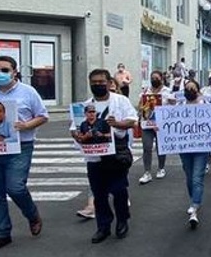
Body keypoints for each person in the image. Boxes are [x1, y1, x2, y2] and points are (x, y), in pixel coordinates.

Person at [0, 55, 49, 253]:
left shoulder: (28, 92)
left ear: (15, 71)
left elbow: (43, 116)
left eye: (4, 70)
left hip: (20, 147)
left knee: (15, 187)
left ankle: (32, 214)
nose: (0, 74)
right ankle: (2, 234)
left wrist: (25, 125)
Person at [71, 69, 138, 244]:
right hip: (94, 156)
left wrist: (117, 123)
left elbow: (132, 120)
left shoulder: (120, 101)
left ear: (109, 83)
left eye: (101, 82)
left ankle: (122, 219)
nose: (98, 85)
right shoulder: (85, 106)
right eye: (94, 82)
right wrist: (76, 135)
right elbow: (74, 128)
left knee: (118, 190)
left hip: (116, 154)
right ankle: (103, 226)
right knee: (99, 193)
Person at [175, 79, 211, 229]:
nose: (190, 91)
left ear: (198, 90)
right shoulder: (179, 107)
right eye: (187, 89)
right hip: (184, 148)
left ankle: (195, 206)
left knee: (197, 177)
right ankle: (194, 199)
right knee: (189, 176)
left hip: (201, 147)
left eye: (193, 88)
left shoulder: (206, 106)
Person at [135, 70, 171, 186]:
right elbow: (140, 106)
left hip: (161, 124)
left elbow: (172, 108)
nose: (154, 80)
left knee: (161, 147)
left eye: (156, 78)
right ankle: (147, 172)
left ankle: (161, 167)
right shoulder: (146, 91)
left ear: (161, 78)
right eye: (152, 78)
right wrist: (141, 106)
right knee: (147, 147)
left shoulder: (167, 91)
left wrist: (172, 103)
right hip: (147, 123)